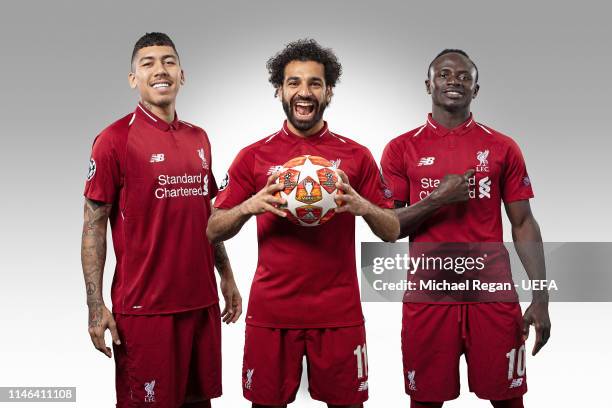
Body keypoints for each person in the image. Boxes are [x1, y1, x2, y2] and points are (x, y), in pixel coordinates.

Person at [207, 39, 399, 408]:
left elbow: (391, 231)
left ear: (329, 91)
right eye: (294, 82)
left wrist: (363, 207)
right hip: (272, 313)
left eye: (314, 83)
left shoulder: (356, 155)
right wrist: (250, 205)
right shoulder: (253, 156)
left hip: (339, 313)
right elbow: (213, 229)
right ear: (279, 90)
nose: (304, 91)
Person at [381, 49, 551, 408]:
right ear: (429, 84)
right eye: (444, 74)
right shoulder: (400, 149)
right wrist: (438, 199)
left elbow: (523, 223)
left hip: (491, 291)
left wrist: (541, 296)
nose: (454, 81)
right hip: (430, 293)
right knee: (426, 400)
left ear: (476, 90)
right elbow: (389, 229)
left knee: (508, 398)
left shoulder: (502, 147)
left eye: (464, 76)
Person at [80, 32, 242, 407]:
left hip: (200, 304)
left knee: (199, 402)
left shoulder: (199, 138)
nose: (160, 69)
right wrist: (94, 304)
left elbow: (208, 215)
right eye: (148, 63)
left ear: (182, 75)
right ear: (133, 78)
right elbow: (93, 227)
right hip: (144, 310)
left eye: (169, 61)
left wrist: (227, 276)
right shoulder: (113, 140)